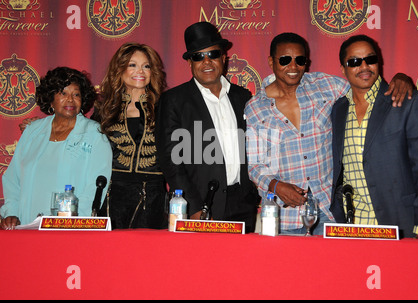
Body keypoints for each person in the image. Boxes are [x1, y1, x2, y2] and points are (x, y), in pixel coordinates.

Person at [245, 32, 413, 235]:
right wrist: (275, 185)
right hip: (282, 217)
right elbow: (255, 166)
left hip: (328, 212)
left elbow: (366, 87)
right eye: (285, 60)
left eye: (300, 60)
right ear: (271, 61)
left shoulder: (325, 86)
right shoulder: (255, 108)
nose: (293, 66)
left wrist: (401, 79)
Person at [330, 35, 418, 239]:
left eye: (370, 59)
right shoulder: (339, 109)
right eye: (355, 61)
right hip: (354, 228)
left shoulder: (409, 102)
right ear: (343, 68)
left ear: (379, 62)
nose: (364, 66)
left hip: (404, 224)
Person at [155, 22, 259, 233]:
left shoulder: (243, 97)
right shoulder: (174, 100)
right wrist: (192, 205)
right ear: (190, 63)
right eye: (198, 56)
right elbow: (171, 160)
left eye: (213, 54)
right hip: (201, 204)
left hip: (243, 204)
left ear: (224, 58)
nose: (206, 62)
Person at [0, 67, 112, 229]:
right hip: (25, 226)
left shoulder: (94, 134)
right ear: (51, 99)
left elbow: (94, 190)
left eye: (76, 94)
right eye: (63, 93)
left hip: (68, 229)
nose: (70, 100)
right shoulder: (33, 131)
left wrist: (71, 223)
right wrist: (12, 213)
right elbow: (13, 179)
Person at [92, 42, 168, 229]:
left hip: (153, 197)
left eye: (146, 66)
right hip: (112, 196)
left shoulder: (166, 107)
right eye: (132, 65)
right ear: (120, 69)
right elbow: (82, 136)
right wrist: (40, 126)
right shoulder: (105, 109)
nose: (140, 71)